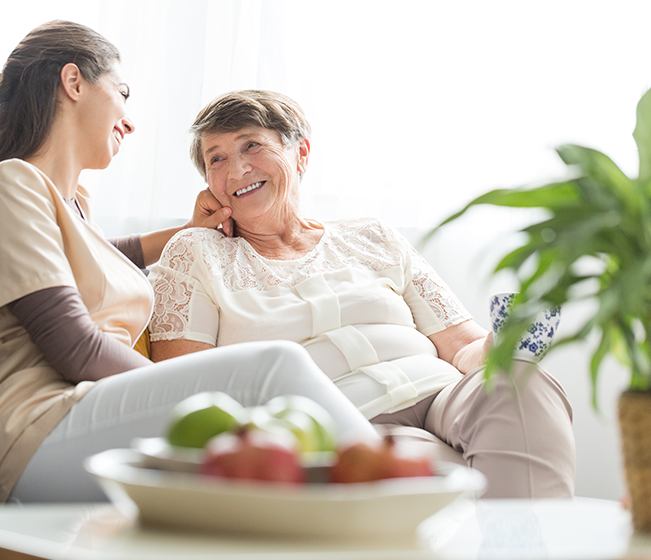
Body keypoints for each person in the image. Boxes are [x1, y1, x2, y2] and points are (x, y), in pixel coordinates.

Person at [0, 22, 383, 503]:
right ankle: (405, 492)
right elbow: (74, 347)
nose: (129, 121)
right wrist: (199, 387)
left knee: (278, 448)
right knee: (273, 367)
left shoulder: (73, 204)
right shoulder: (9, 186)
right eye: (123, 94)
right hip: (37, 429)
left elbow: (104, 259)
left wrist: (186, 231)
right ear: (74, 82)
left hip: (88, 412)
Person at [148, 90, 576, 499]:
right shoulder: (196, 252)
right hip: (335, 418)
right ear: (208, 184)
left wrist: (511, 337)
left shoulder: (373, 236)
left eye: (252, 146)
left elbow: (462, 346)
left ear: (301, 154)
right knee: (411, 452)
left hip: (439, 394)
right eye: (216, 159)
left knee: (520, 382)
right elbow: (189, 387)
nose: (237, 169)